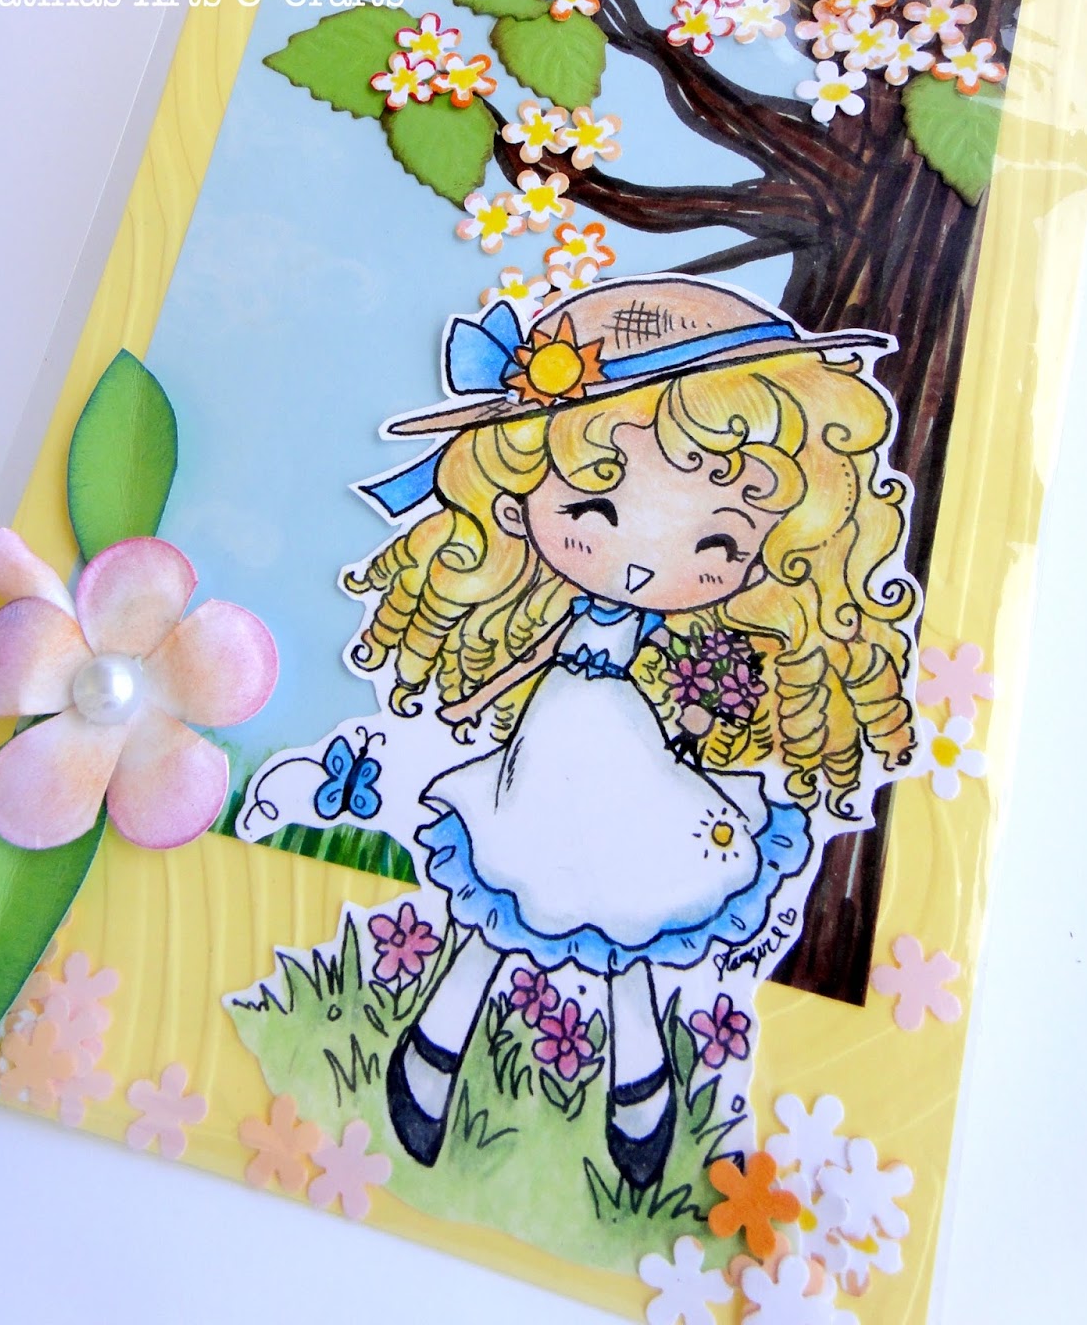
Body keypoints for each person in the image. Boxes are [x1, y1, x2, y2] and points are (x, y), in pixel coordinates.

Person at [348, 275, 917, 1186]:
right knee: (506, 896)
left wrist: (705, 709)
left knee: (636, 909)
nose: (647, 566)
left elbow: (697, 684)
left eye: (717, 545)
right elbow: (538, 655)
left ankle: (639, 1084)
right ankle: (434, 1053)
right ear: (518, 493)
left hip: (631, 761)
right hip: (546, 753)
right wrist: (474, 691)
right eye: (594, 512)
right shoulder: (570, 611)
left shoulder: (685, 639)